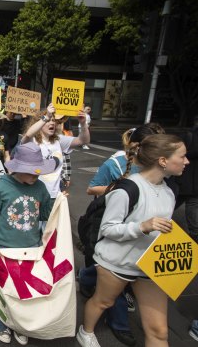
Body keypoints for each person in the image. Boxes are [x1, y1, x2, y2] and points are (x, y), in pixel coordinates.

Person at [76, 134, 188, 347]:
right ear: (163, 161)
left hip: (151, 266)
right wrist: (143, 226)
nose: (187, 161)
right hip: (118, 262)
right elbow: (108, 229)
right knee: (103, 301)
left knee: (159, 331)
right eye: (182, 156)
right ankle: (86, 331)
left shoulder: (171, 190)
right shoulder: (127, 189)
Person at [0, 142, 55, 345]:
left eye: (37, 172)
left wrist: (59, 205)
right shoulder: (2, 186)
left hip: (32, 248)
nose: (35, 176)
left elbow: (46, 212)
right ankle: (1, 323)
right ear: (18, 169)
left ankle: (20, 325)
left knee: (25, 293)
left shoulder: (40, 187)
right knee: (7, 291)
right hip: (4, 249)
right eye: (30, 172)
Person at [21, 103, 89, 200]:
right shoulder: (32, 141)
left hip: (54, 196)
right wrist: (47, 116)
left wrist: (83, 123)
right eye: (48, 120)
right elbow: (28, 135)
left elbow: (84, 140)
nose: (52, 123)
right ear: (40, 122)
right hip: (33, 196)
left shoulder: (58, 140)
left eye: (53, 120)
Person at [176, 115, 198, 243]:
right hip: (185, 177)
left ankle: (195, 235)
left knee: (192, 204)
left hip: (185, 179)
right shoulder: (188, 135)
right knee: (172, 201)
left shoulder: (187, 135)